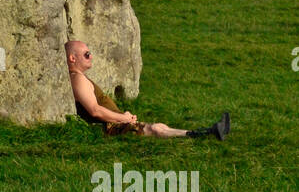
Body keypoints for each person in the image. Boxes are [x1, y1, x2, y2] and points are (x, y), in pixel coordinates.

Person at [67, 41, 229, 138]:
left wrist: (123, 117)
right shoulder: (77, 79)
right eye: (87, 54)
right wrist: (123, 118)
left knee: (158, 127)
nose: (91, 56)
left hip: (115, 124)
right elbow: (95, 111)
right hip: (111, 128)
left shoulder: (79, 78)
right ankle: (203, 134)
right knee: (154, 129)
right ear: (72, 58)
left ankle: (205, 132)